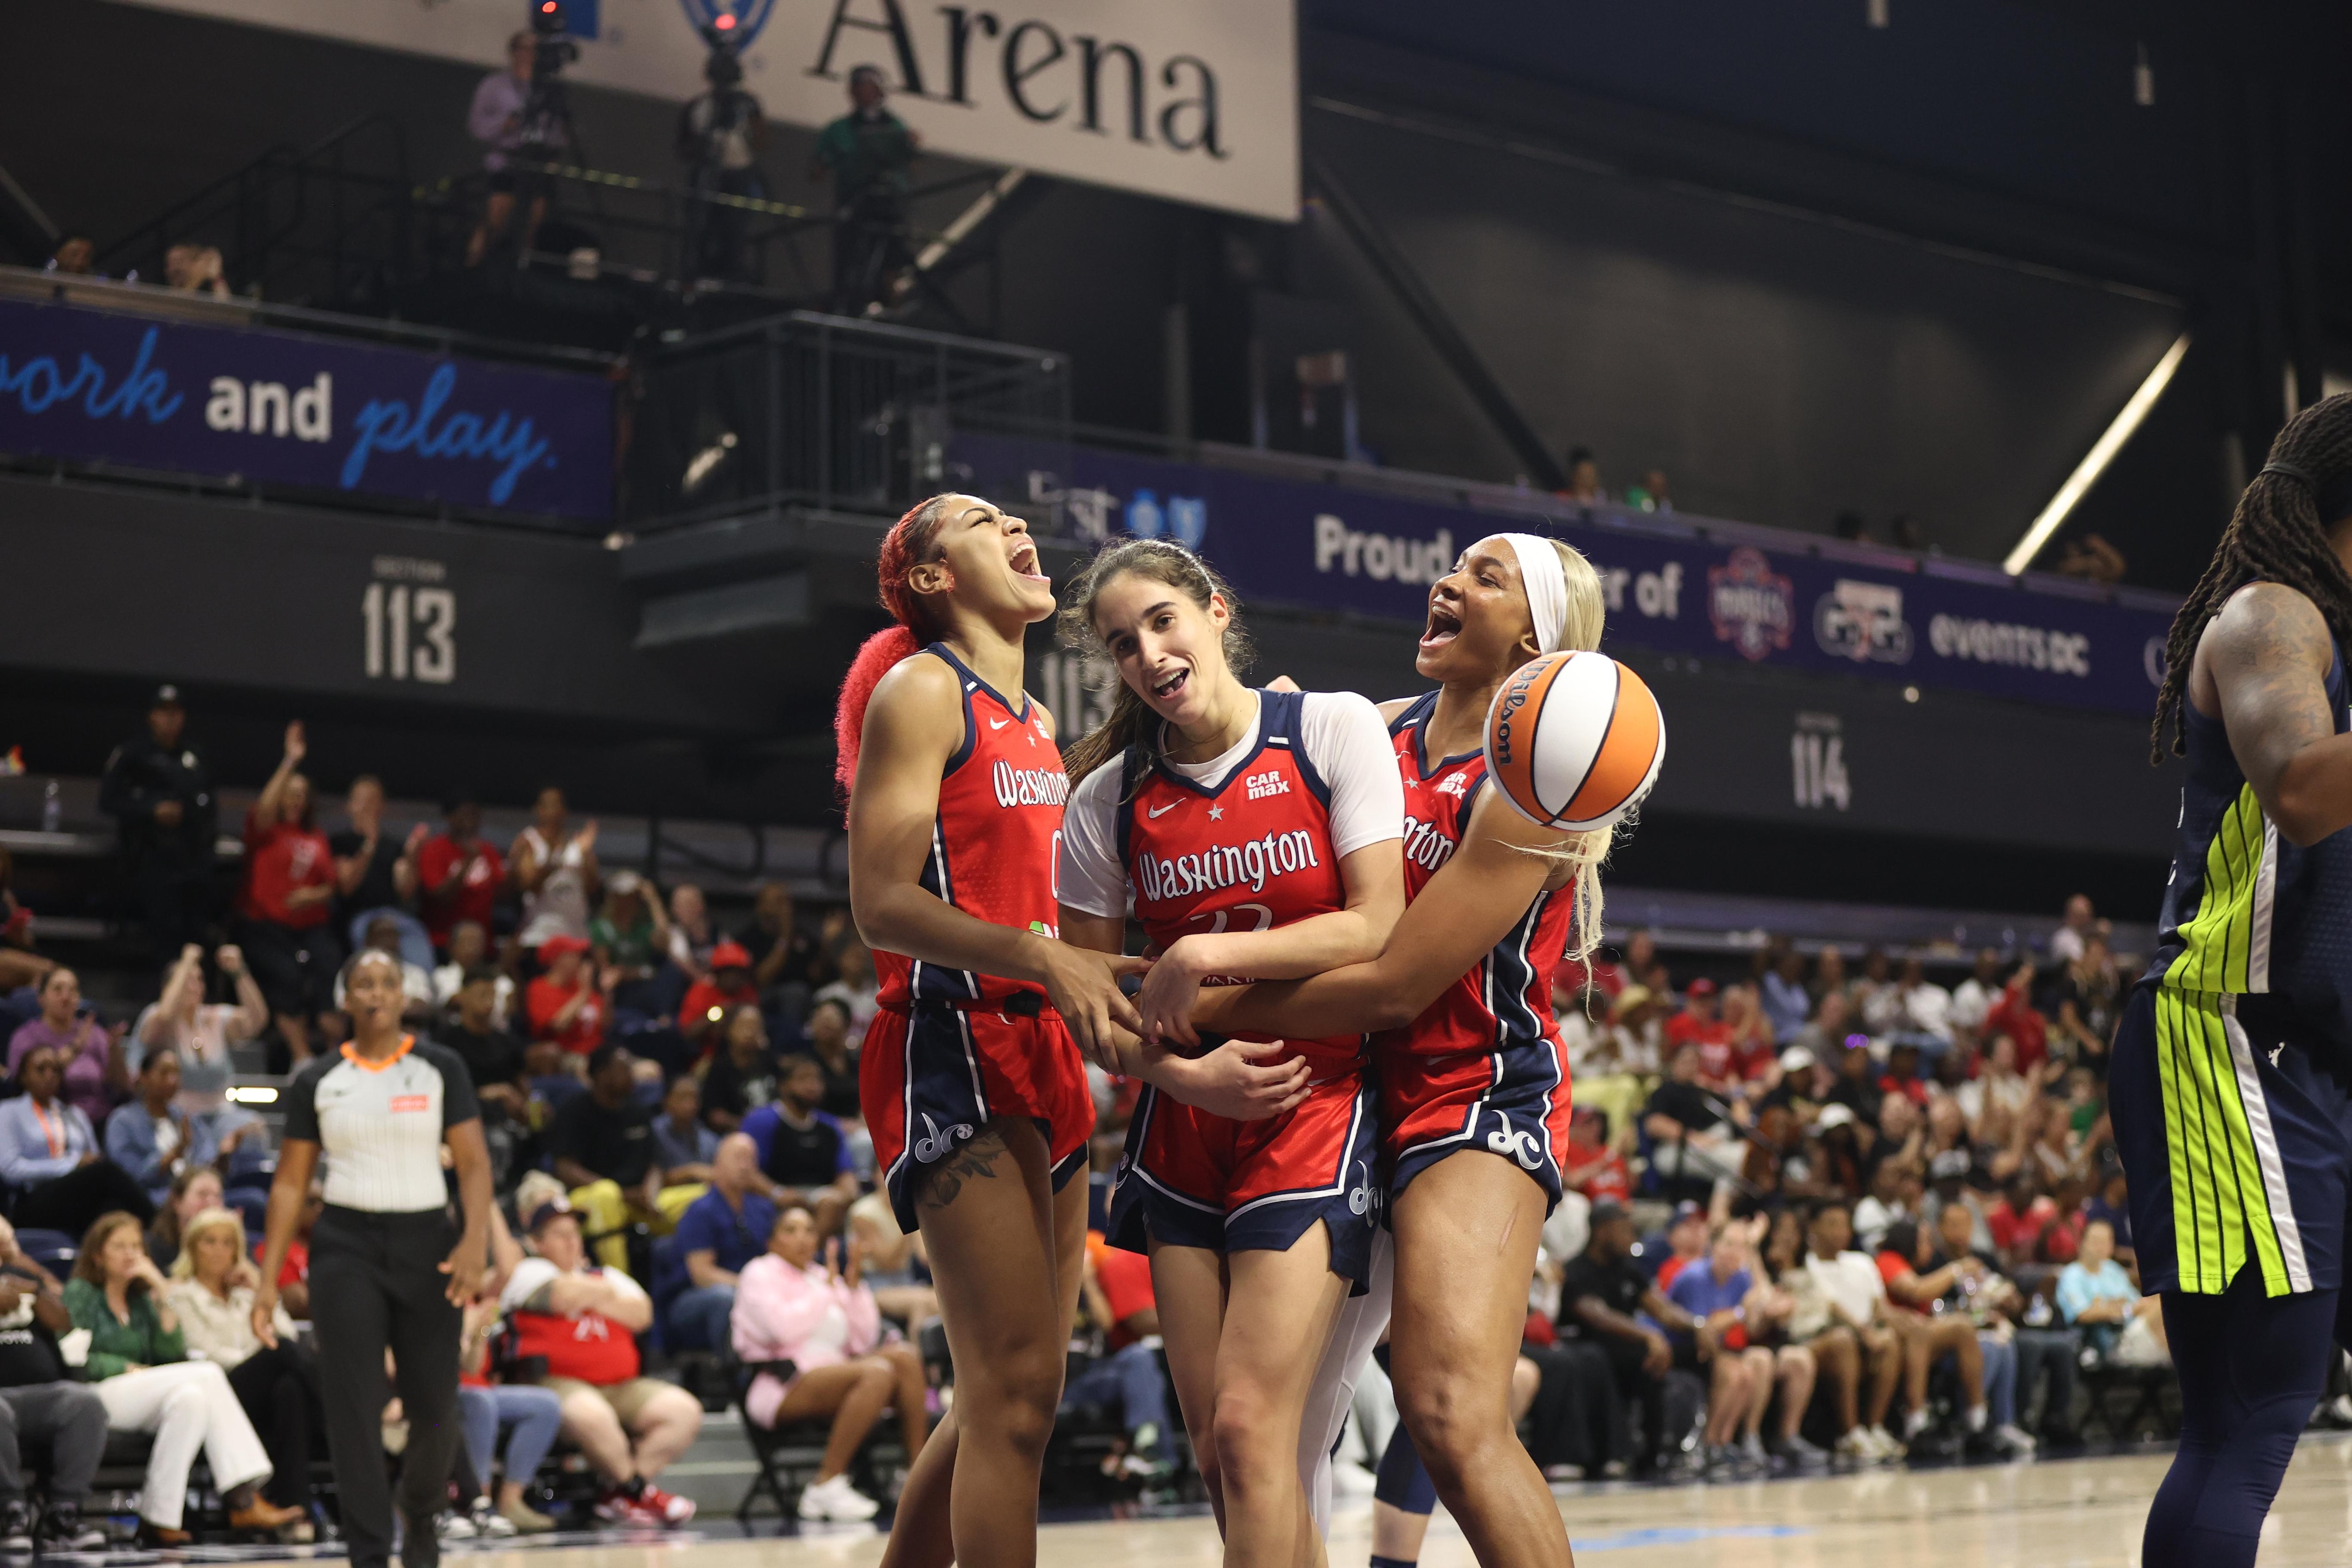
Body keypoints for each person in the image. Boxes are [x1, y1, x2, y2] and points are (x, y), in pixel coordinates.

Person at [1194, 533, 1618, 1565]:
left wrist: (1205, 1004)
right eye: (1454, 566)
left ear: (1532, 639)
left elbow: (1394, 987)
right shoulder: (1371, 728)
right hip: (1348, 1089)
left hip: (1472, 1090)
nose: (1448, 581)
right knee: (1256, 1434)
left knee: (1447, 1409)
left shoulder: (1532, 780)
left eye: (1484, 576)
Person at [1055, 536, 1403, 1558]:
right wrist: (1184, 1072)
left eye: (1161, 620)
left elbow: (1376, 923)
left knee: (1255, 1430)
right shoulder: (1104, 800)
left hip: (1312, 1102)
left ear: (1215, 609)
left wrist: (1202, 953)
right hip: (1182, 1122)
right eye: (1123, 643)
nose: (1148, 653)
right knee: (1219, 1451)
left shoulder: (1329, 727)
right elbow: (1094, 1010)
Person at [834, 493, 1164, 1566]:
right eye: (983, 522)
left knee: (1017, 1390)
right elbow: (881, 903)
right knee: (1011, 1391)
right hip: (949, 1037)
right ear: (933, 578)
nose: (1016, 525)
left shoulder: (1031, 725)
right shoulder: (924, 690)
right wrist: (1042, 956)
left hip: (1041, 1050)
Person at [2113, 398, 2352, 1568]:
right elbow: (2301, 787)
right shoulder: (2268, 615)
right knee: (2252, 1411)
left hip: (2320, 1050)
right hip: (2229, 1043)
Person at [250, 948, 493, 1568]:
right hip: (346, 1246)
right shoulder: (319, 1079)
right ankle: (368, 1551)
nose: (376, 993)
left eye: (387, 983)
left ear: (403, 996)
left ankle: (421, 1510)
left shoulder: (441, 1068)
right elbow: (289, 1184)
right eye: (363, 983)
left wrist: (474, 1241)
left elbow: (473, 1163)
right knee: (353, 1409)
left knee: (435, 1407)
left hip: (428, 1244)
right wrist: (266, 1282)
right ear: (346, 998)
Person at [67, 1212, 299, 1544]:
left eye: (136, 1246)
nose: (130, 1254)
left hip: (140, 1393)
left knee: (191, 1400)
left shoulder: (140, 1299)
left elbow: (170, 1353)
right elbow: (71, 1353)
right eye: (119, 1247)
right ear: (98, 1255)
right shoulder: (82, 1293)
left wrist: (162, 1289)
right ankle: (243, 1497)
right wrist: (122, 1367)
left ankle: (159, 1517)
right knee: (207, 1374)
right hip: (94, 1394)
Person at [501, 1202, 699, 1525]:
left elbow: (642, 1314)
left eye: (575, 1234)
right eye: (560, 1235)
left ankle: (620, 1495)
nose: (572, 1242)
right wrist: (606, 1295)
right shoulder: (530, 1270)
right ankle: (639, 1493)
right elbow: (560, 1297)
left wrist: (588, 1292)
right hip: (554, 1381)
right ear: (538, 1243)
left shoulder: (605, 1274)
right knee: (594, 1415)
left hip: (620, 1384)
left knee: (683, 1411)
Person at [732, 1204, 926, 1521]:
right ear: (772, 1240)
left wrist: (853, 1288)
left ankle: (915, 1477)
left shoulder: (821, 1275)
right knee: (876, 1374)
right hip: (783, 1382)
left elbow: (862, 1341)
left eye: (810, 1230)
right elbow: (780, 1329)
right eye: (791, 1230)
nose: (802, 1238)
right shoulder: (759, 1272)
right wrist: (826, 1292)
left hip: (839, 1372)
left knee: (905, 1356)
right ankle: (826, 1482)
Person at [163, 1207, 323, 1535]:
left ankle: (297, 1511)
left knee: (290, 1388)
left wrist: (258, 1285)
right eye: (210, 1241)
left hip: (259, 1396)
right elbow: (202, 1350)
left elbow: (287, 1333)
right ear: (193, 1248)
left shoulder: (246, 1294)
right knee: (281, 1355)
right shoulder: (180, 1295)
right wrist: (256, 1358)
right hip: (218, 1389)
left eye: (228, 1243)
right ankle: (335, 1409)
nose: (219, 1251)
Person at [1557, 1204, 1698, 1477]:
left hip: (1627, 1351)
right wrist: (1648, 1334)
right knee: (1627, 1357)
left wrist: (1699, 1326)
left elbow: (1662, 1309)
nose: (1631, 1237)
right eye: (1624, 1230)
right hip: (1586, 1348)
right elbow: (1598, 1316)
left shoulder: (1627, 1269)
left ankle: (1662, 1452)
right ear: (1603, 1231)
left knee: (1679, 1353)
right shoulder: (1577, 1270)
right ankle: (1615, 1453)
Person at [0, 1218, 110, 1551]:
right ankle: (10, 1511)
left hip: (42, 1395)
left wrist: (36, 1291)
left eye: (5, 1243)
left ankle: (63, 1512)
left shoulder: (22, 1279)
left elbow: (63, 1322)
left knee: (84, 1402)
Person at [235, 724, 339, 1064]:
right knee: (287, 975)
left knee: (329, 966)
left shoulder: (316, 836)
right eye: (290, 792)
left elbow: (331, 884)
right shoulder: (266, 830)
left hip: (309, 927)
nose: (296, 799)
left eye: (302, 794)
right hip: (265, 925)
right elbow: (264, 808)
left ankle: (335, 1053)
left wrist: (312, 896)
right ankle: (301, 1057)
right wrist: (290, 761)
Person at [135, 944, 272, 1194]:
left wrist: (239, 972)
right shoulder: (159, 1017)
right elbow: (165, 1016)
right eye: (186, 980)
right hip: (178, 1115)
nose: (194, 986)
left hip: (220, 1112)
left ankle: (244, 1192)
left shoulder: (213, 1017)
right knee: (195, 1145)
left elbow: (257, 1020)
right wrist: (187, 960)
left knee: (252, 1128)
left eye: (199, 979)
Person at [99, 685, 217, 958]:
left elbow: (209, 805)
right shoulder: (133, 755)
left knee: (197, 937)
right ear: (152, 716)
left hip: (191, 864)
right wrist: (151, 811)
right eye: (164, 712)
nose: (170, 719)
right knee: (164, 940)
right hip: (149, 862)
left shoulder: (194, 756)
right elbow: (108, 801)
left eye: (176, 713)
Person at [0, 1044, 154, 1236]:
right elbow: (11, 1169)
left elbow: (94, 1158)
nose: (49, 1075)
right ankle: (157, 1222)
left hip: (77, 1195)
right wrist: (70, 1165)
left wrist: (82, 1165)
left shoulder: (74, 1114)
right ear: (24, 1076)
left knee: (112, 1208)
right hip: (33, 1197)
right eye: (41, 1069)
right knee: (106, 1173)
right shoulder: (9, 1112)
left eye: (56, 1070)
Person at [1799, 1200, 1907, 1463]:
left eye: (1845, 1225)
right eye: (1832, 1224)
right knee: (1843, 1340)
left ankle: (1874, 1428)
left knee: (1890, 1340)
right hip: (1818, 1339)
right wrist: (1864, 1331)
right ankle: (1850, 1434)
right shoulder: (1806, 1263)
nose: (1840, 1231)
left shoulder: (1862, 1262)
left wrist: (1902, 1324)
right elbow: (1831, 1307)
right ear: (1813, 1228)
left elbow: (1881, 1308)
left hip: (1862, 1335)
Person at [1062, 1230, 1174, 1480]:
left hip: (1095, 1374)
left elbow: (1107, 1324)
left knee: (1139, 1357)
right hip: (1068, 1384)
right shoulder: (1049, 1289)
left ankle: (1149, 1447)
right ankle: (1158, 1458)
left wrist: (1089, 1283)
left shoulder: (1091, 1287)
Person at [812, 64, 919, 313]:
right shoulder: (839, 129)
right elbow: (816, 170)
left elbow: (912, 166)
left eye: (868, 87)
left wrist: (909, 148)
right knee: (848, 258)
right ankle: (844, 306)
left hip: (890, 205)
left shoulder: (896, 127)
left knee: (892, 258)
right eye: (857, 88)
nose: (862, 93)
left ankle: (890, 306)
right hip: (853, 204)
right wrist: (833, 161)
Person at [455, 1293, 562, 1535]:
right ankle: (479, 1501)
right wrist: (467, 1324)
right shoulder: (439, 1298)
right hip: (445, 1394)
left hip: (480, 1388)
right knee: (480, 1403)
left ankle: (510, 1501)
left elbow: (471, 1366)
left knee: (545, 1405)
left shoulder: (473, 1302)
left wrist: (480, 1333)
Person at [548, 1043, 660, 1270]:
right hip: (590, 1199)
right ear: (602, 1074)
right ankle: (619, 1283)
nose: (632, 1075)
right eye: (625, 1069)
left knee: (694, 1200)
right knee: (607, 1195)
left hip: (638, 1200)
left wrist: (651, 1194)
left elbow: (654, 1165)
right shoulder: (574, 1110)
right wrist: (621, 1194)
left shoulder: (639, 1112)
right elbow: (565, 1168)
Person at [663, 1133, 777, 1352]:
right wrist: (751, 1287)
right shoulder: (700, 1211)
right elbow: (703, 1275)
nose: (745, 1166)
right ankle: (734, 1366)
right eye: (738, 1158)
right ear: (718, 1164)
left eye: (751, 1159)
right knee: (725, 1297)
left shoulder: (763, 1208)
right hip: (696, 1298)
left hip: (754, 1290)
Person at [466, 32, 559, 267]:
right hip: (506, 161)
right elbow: (477, 126)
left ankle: (523, 268)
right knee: (493, 222)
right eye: (523, 49)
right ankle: (474, 266)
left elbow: (557, 130)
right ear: (513, 52)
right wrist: (504, 125)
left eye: (534, 50)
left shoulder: (548, 89)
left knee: (534, 224)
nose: (529, 55)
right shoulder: (493, 86)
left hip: (537, 164)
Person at [677, 40, 767, 283]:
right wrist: (703, 143)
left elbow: (761, 142)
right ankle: (697, 277)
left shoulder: (748, 105)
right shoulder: (698, 107)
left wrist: (745, 125)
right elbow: (683, 148)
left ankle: (732, 279)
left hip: (739, 176)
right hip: (706, 175)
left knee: (735, 234)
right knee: (700, 231)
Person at [742, 1054, 859, 1235]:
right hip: (775, 1195)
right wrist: (777, 1193)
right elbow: (748, 1171)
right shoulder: (762, 1121)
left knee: (838, 1205)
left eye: (817, 1079)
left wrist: (847, 1194)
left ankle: (809, 1250)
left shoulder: (830, 1126)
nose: (813, 1086)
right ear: (783, 1085)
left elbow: (845, 1173)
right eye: (803, 1079)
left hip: (820, 1196)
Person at [331, 777, 431, 971]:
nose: (367, 807)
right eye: (361, 800)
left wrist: (412, 857)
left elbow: (406, 891)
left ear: (382, 807)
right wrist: (370, 843)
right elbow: (346, 886)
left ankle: (424, 988)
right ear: (349, 806)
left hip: (394, 915)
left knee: (417, 939)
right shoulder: (340, 843)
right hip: (358, 917)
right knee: (374, 940)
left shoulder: (393, 846)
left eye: (372, 801)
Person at [7, 966, 125, 1124]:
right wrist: (75, 1048)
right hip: (47, 1120)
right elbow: (23, 1088)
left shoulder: (95, 1033)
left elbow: (122, 1088)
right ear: (41, 998)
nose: (66, 996)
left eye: (72, 990)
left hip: (99, 1120)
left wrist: (115, 1052)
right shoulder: (25, 1037)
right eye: (58, 989)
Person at [511, 788, 597, 952]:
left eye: (557, 805)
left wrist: (587, 857)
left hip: (574, 935)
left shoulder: (578, 843)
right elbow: (528, 885)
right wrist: (556, 859)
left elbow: (593, 889)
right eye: (547, 806)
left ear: (564, 811)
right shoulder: (529, 841)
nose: (553, 811)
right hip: (539, 935)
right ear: (538, 810)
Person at [416, 801, 505, 956]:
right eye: (465, 815)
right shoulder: (435, 849)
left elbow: (503, 893)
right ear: (450, 817)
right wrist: (467, 862)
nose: (471, 821)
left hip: (483, 944)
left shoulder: (488, 850)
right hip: (442, 943)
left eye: (475, 816)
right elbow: (440, 897)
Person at [700, 1003, 782, 1133]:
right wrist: (750, 1126)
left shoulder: (769, 1060)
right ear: (729, 1030)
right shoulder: (720, 1068)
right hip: (740, 1133)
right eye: (744, 1026)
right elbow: (715, 1115)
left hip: (776, 1130)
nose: (751, 1032)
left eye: (756, 1027)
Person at [526, 934, 609, 1058]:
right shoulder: (539, 987)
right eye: (573, 955)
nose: (580, 960)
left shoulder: (580, 985)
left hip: (596, 1052)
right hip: (564, 1054)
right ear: (556, 959)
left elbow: (605, 1024)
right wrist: (584, 993)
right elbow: (559, 1026)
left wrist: (607, 992)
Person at [147, 1165, 225, 1272]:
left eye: (217, 1196)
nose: (211, 1203)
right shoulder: (155, 1248)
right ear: (178, 1202)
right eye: (202, 1194)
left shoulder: (231, 1247)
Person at [652, 1074, 717, 1185]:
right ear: (666, 1101)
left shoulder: (707, 1138)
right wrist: (690, 1172)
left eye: (694, 1098)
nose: (690, 1104)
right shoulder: (654, 1133)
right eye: (682, 1098)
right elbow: (654, 1179)